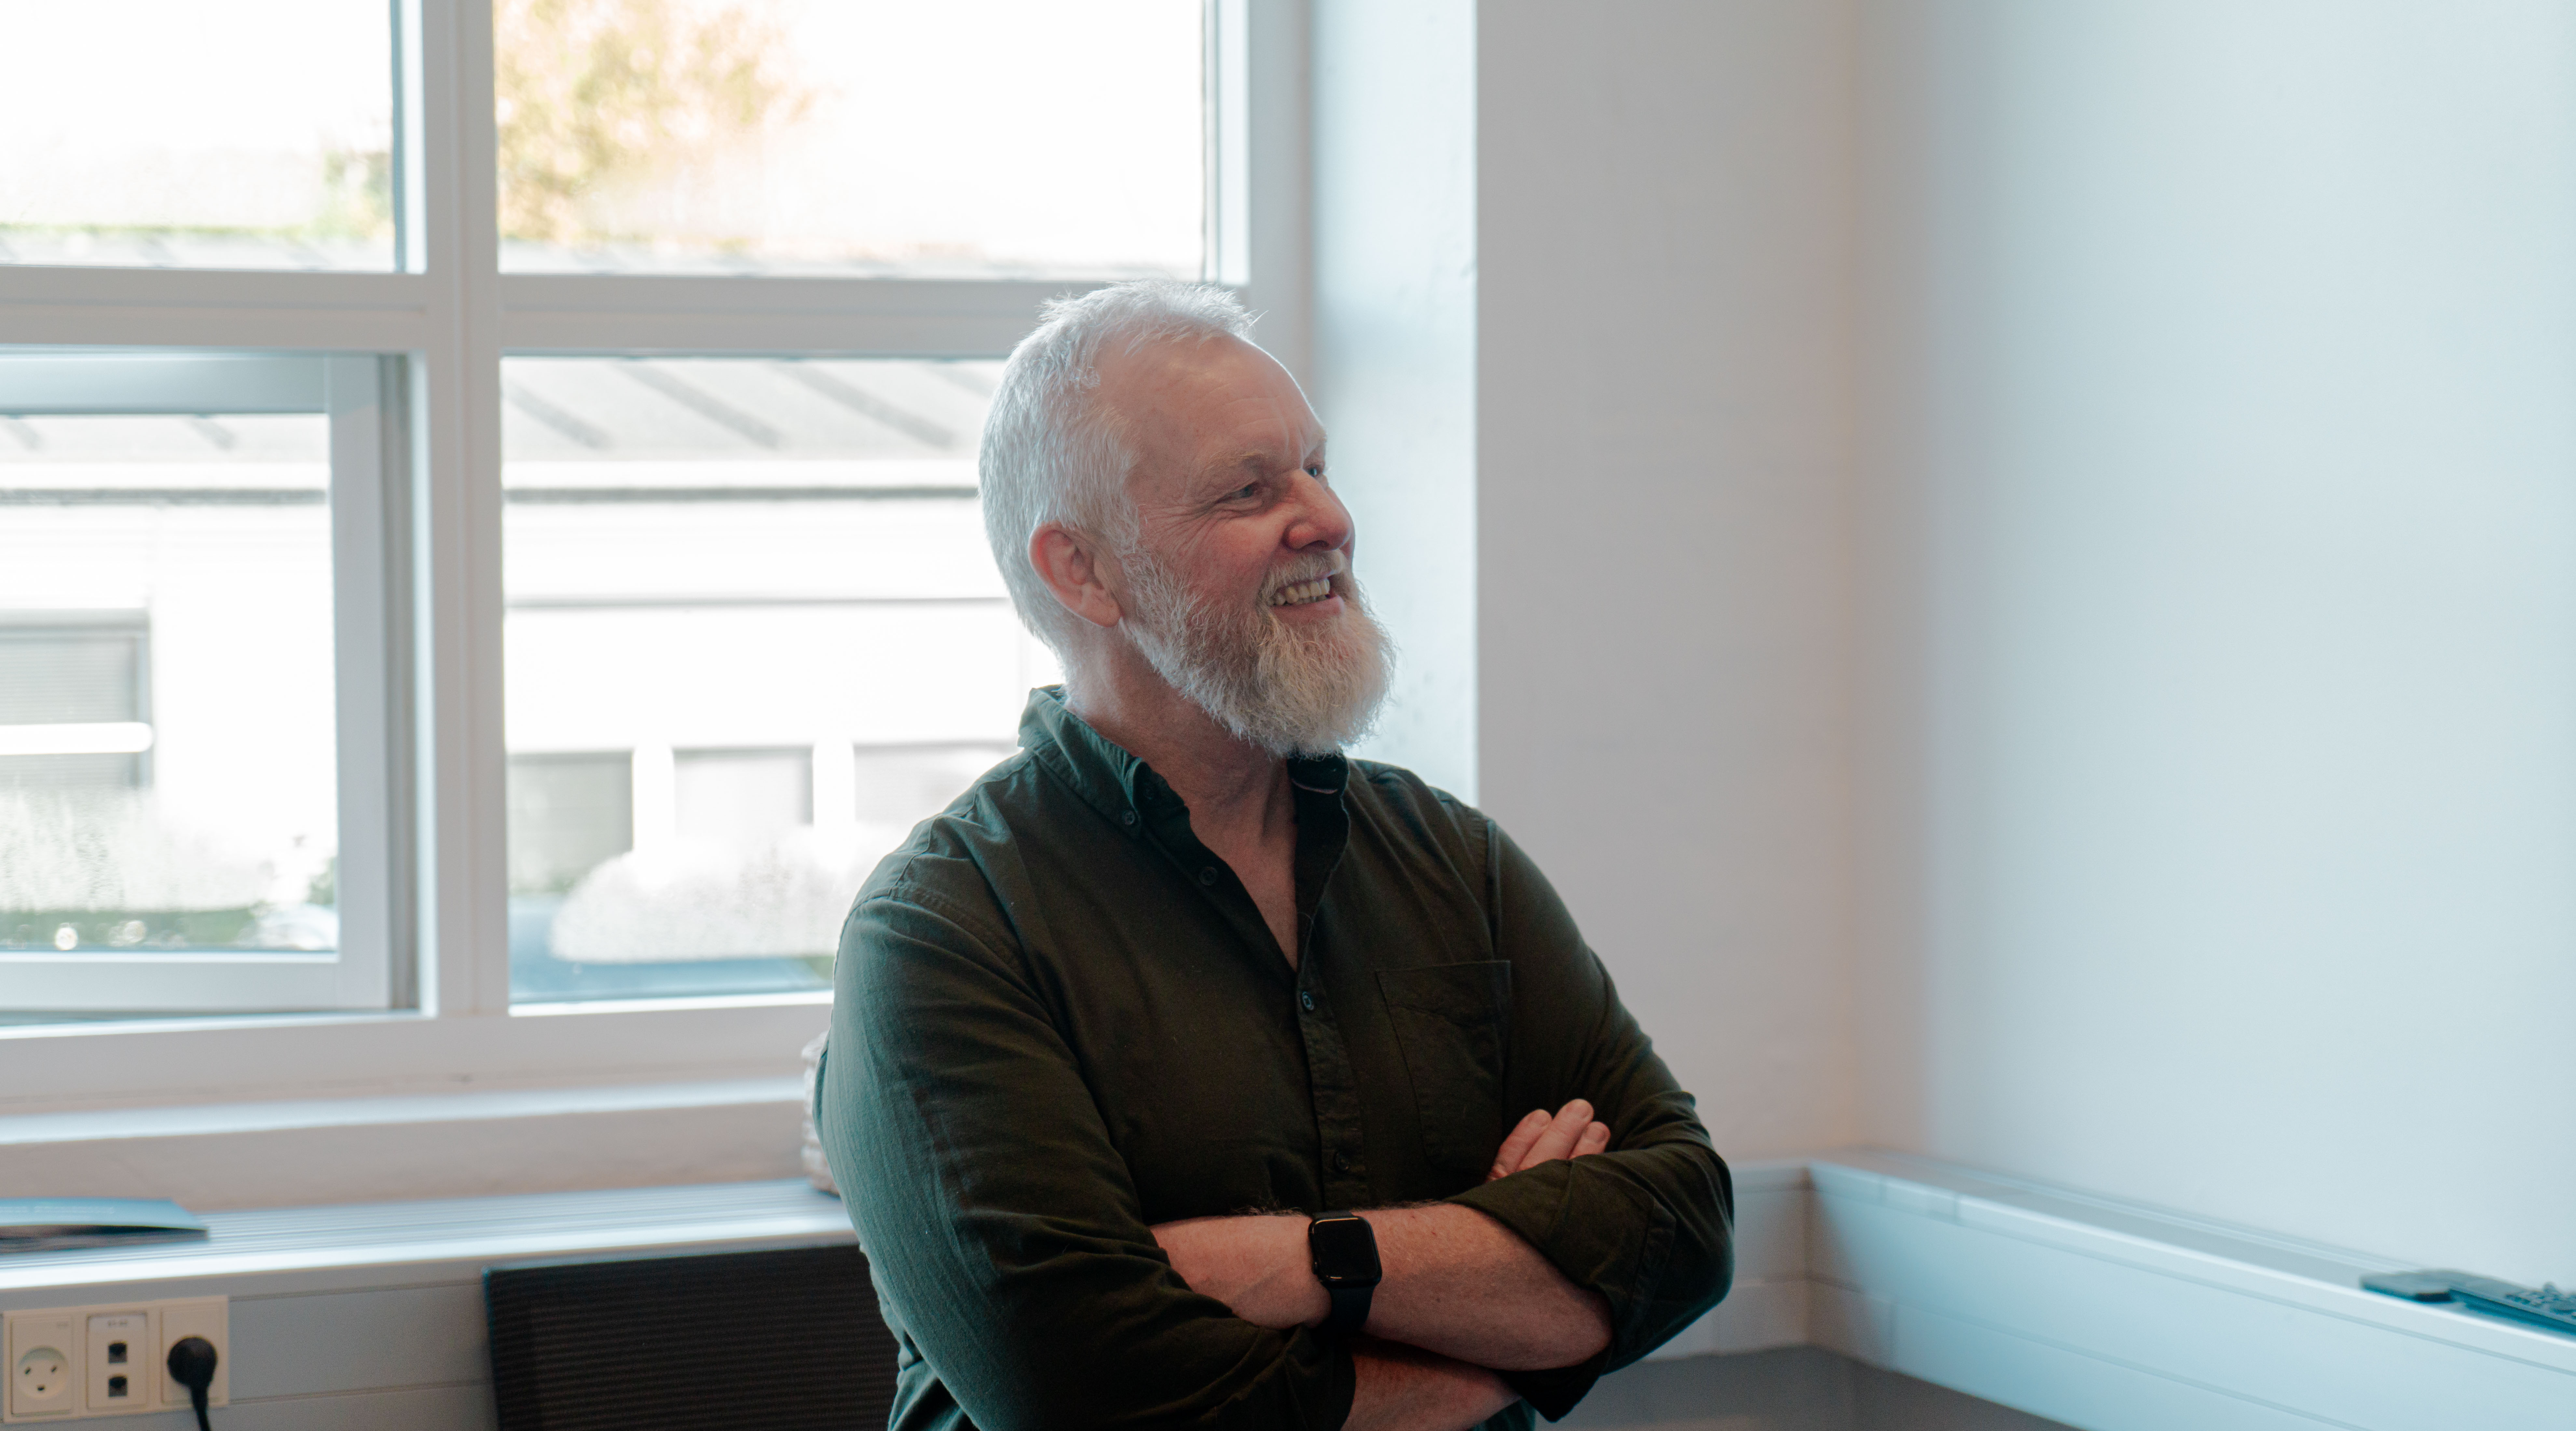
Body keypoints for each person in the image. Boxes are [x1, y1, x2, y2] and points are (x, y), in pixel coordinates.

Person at [815, 280, 1732, 1431]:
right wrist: (1497, 1330)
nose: (1327, 520)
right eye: (1249, 490)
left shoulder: (1455, 865)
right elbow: (1077, 1386)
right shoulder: (944, 931)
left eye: (1317, 468)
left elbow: (1683, 1231)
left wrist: (1301, 1265)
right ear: (1083, 572)